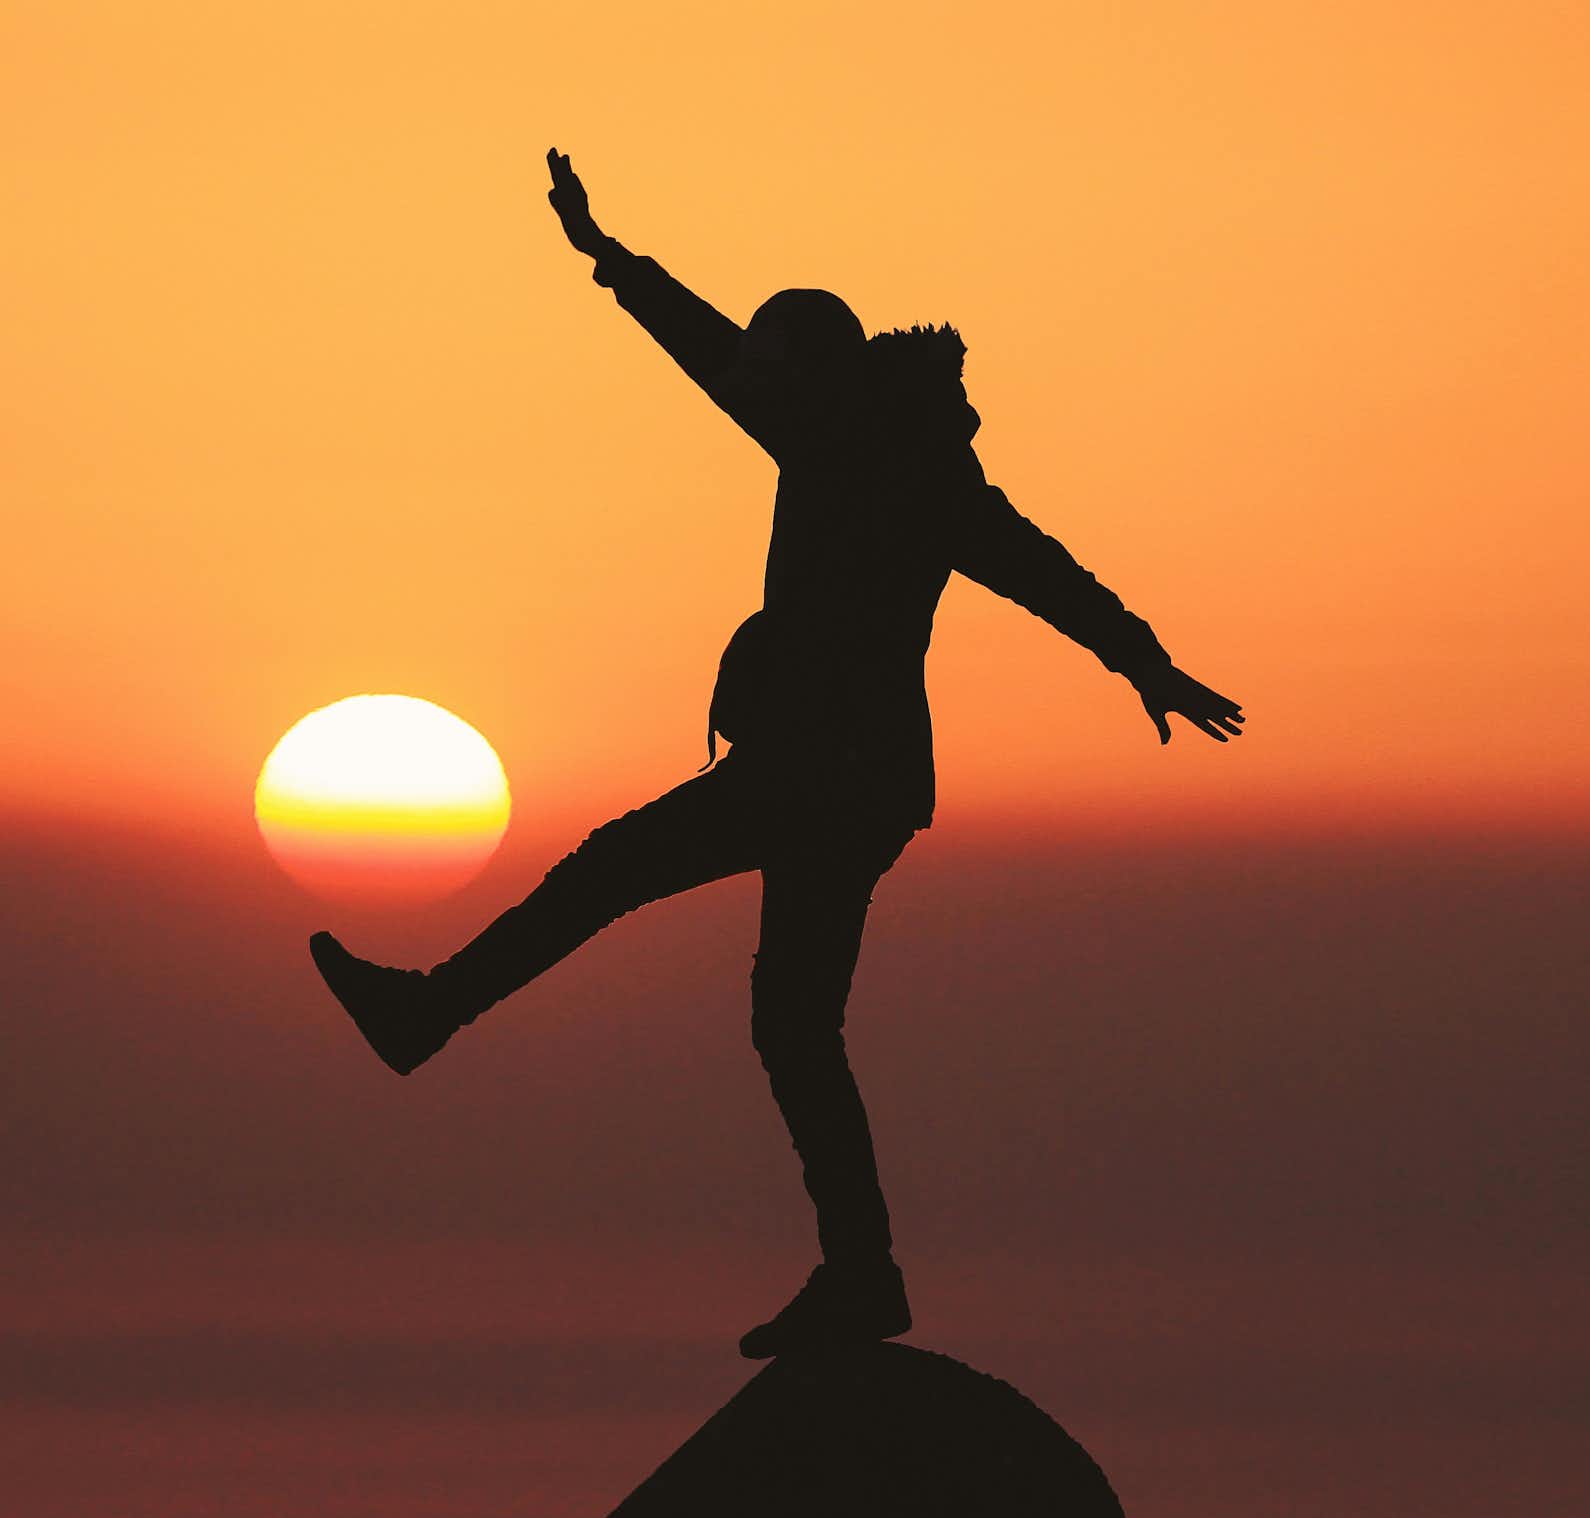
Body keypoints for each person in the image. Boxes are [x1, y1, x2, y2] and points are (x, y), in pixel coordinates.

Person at [310, 150, 1245, 1358]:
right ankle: (861, 1273)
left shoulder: (894, 464)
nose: (759, 402)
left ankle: (428, 1015)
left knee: (617, 876)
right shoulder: (856, 433)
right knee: (792, 1025)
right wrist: (610, 260)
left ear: (809, 380)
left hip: (821, 773)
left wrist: (1144, 659)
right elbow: (712, 354)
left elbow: (1040, 568)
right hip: (847, 782)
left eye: (773, 384)